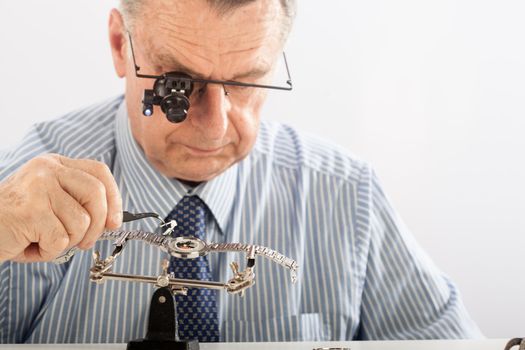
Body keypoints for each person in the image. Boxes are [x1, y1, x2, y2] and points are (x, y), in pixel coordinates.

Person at [0, 0, 482, 344]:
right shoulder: (22, 190)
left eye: (246, 82)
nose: (212, 129)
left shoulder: (345, 194)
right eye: (177, 83)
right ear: (119, 46)